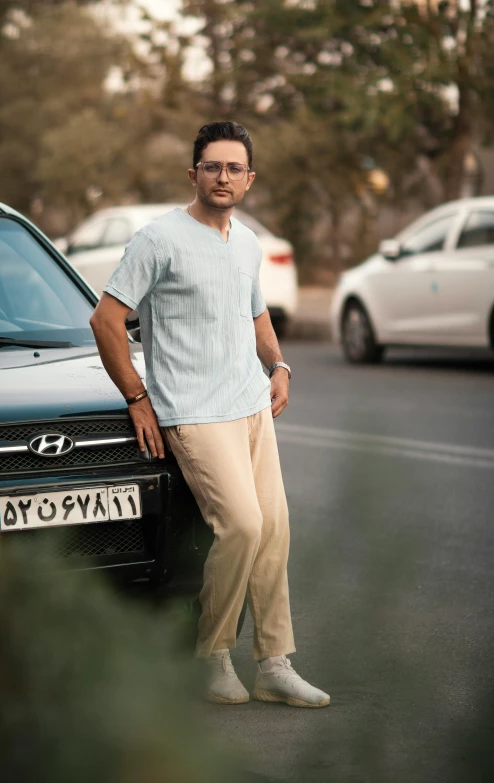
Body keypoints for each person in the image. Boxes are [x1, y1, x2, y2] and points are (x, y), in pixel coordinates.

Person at [90, 121, 330, 709]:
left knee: (273, 532)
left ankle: (274, 663)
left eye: (234, 168)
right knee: (242, 527)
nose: (223, 177)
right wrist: (137, 397)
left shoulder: (245, 241)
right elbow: (106, 320)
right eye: (212, 166)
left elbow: (258, 318)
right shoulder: (158, 240)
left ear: (249, 179)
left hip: (250, 406)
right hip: (193, 412)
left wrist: (279, 367)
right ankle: (211, 655)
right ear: (194, 172)